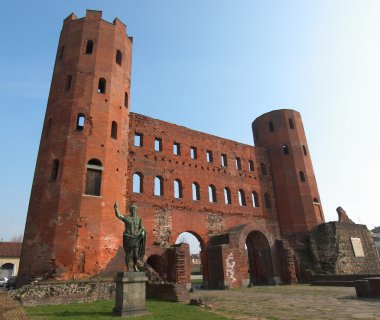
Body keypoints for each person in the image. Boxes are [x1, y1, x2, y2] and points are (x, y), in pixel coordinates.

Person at [114, 202, 146, 272]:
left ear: (136, 210)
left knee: (135, 254)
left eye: (134, 209)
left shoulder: (139, 219)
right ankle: (128, 268)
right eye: (132, 209)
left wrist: (142, 232)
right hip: (128, 238)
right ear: (130, 210)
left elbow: (142, 227)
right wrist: (116, 208)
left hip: (136, 238)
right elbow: (119, 215)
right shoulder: (127, 218)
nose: (133, 211)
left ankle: (135, 266)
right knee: (127, 253)